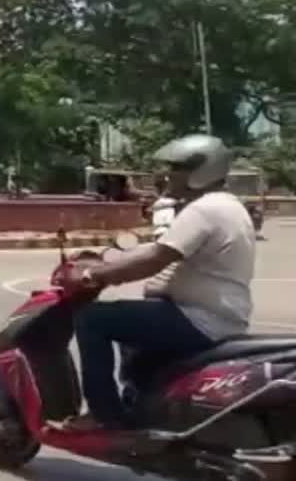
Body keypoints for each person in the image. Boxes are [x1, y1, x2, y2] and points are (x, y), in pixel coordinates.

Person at [59, 134, 255, 431]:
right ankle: (144, 403)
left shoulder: (204, 209)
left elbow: (156, 258)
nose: (168, 174)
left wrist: (94, 275)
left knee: (92, 319)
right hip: (215, 317)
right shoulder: (227, 205)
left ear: (200, 171)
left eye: (176, 167)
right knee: (135, 317)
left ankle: (103, 413)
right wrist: (111, 262)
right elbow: (159, 249)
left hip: (199, 319)